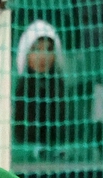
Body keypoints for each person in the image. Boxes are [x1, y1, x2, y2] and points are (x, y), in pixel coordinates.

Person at [14, 20, 67, 149]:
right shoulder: (18, 90)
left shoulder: (61, 89)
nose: (42, 56)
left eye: (48, 49)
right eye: (36, 49)